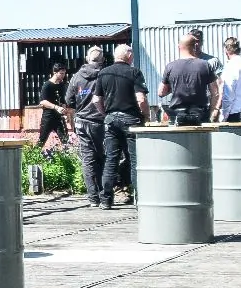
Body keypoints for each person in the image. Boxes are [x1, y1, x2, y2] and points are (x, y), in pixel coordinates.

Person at [92, 43, 148, 209]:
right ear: (129, 56)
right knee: (134, 160)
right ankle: (141, 199)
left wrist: (105, 114)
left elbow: (96, 100)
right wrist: (146, 115)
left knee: (111, 159)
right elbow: (141, 99)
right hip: (131, 120)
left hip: (111, 120)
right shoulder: (134, 72)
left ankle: (106, 199)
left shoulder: (103, 73)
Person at [65, 46, 106, 206]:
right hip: (101, 121)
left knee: (88, 159)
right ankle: (104, 194)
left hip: (82, 121)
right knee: (103, 157)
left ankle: (92, 197)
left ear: (87, 58)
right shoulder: (105, 74)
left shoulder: (76, 77)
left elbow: (69, 100)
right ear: (102, 59)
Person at [158, 32, 220, 126]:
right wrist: (212, 112)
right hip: (200, 115)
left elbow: (161, 92)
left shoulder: (170, 66)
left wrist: (175, 87)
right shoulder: (205, 65)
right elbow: (215, 92)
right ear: (195, 46)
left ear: (179, 46)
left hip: (177, 116)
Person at [37, 62, 70, 154]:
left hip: (59, 117)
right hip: (48, 117)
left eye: (64, 73)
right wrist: (56, 107)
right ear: (55, 73)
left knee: (65, 139)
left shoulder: (62, 85)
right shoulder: (47, 85)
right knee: (42, 139)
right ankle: (33, 157)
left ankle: (68, 159)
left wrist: (64, 109)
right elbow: (43, 102)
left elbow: (63, 100)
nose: (63, 75)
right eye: (61, 73)